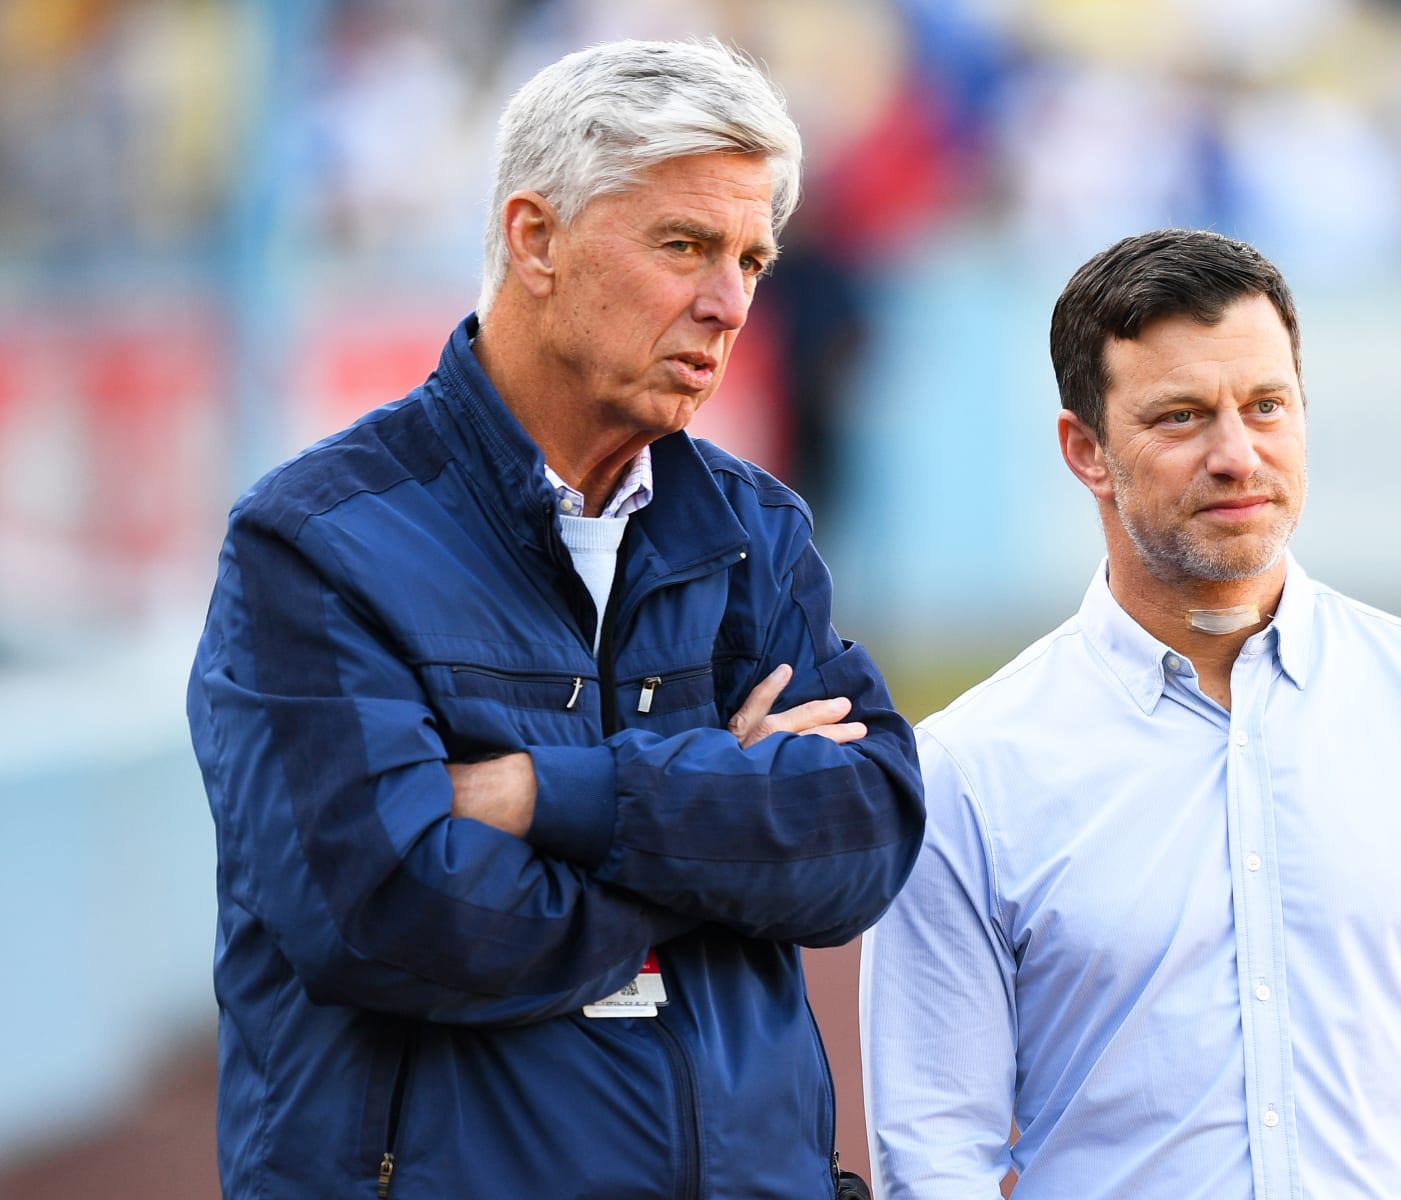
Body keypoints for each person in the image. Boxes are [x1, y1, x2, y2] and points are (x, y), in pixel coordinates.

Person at [188, 39, 923, 1200]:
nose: (729, 304)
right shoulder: (315, 543)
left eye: (751, 258)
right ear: (535, 237)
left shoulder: (755, 529)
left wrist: (543, 795)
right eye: (683, 245)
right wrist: (721, 830)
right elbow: (386, 912)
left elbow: (862, 832)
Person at [860, 228, 1401, 1199]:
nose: (1236, 454)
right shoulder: (969, 769)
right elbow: (931, 1151)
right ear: (1085, 450)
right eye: (1181, 417)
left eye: (1266, 406)